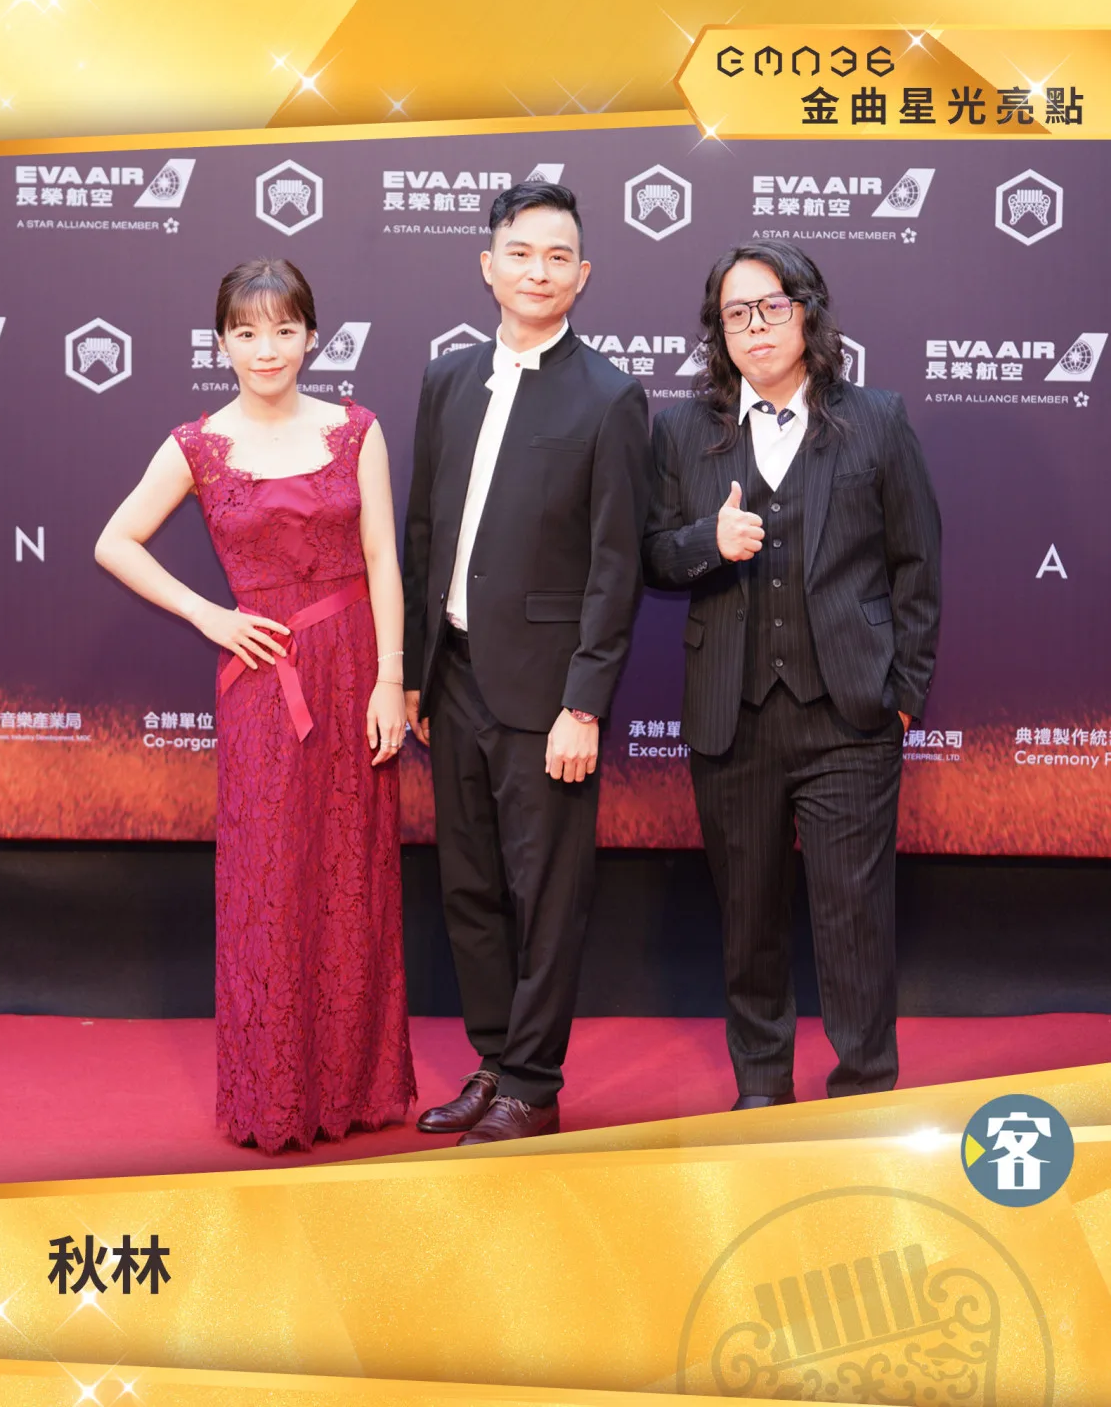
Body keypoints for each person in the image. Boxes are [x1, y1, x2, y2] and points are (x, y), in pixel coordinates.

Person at [95, 258, 415, 1151]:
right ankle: (275, 1097)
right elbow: (115, 541)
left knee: (352, 880)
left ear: (312, 336)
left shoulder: (356, 430)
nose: (265, 348)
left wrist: (390, 679)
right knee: (269, 885)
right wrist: (209, 615)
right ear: (221, 343)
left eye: (282, 329)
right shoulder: (198, 444)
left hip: (354, 671)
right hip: (264, 683)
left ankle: (352, 1090)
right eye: (245, 332)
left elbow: (383, 559)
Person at [643, 243, 940, 1107]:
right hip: (730, 715)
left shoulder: (875, 419)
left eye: (771, 306)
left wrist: (904, 696)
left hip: (849, 714)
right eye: (735, 313)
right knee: (748, 919)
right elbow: (653, 555)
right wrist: (707, 542)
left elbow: (916, 563)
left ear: (807, 311)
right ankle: (761, 1094)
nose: (755, 327)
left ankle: (863, 1094)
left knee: (853, 919)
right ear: (718, 330)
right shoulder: (682, 430)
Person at [403, 182, 652, 1144]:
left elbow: (615, 566)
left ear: (581, 276)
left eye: (556, 257)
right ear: (487, 265)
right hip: (454, 676)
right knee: (468, 886)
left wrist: (583, 703)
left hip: (548, 693)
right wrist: (417, 671)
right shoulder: (446, 380)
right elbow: (425, 531)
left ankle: (533, 1087)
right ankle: (494, 1060)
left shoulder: (610, 397)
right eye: (519, 252)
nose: (536, 272)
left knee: (544, 894)